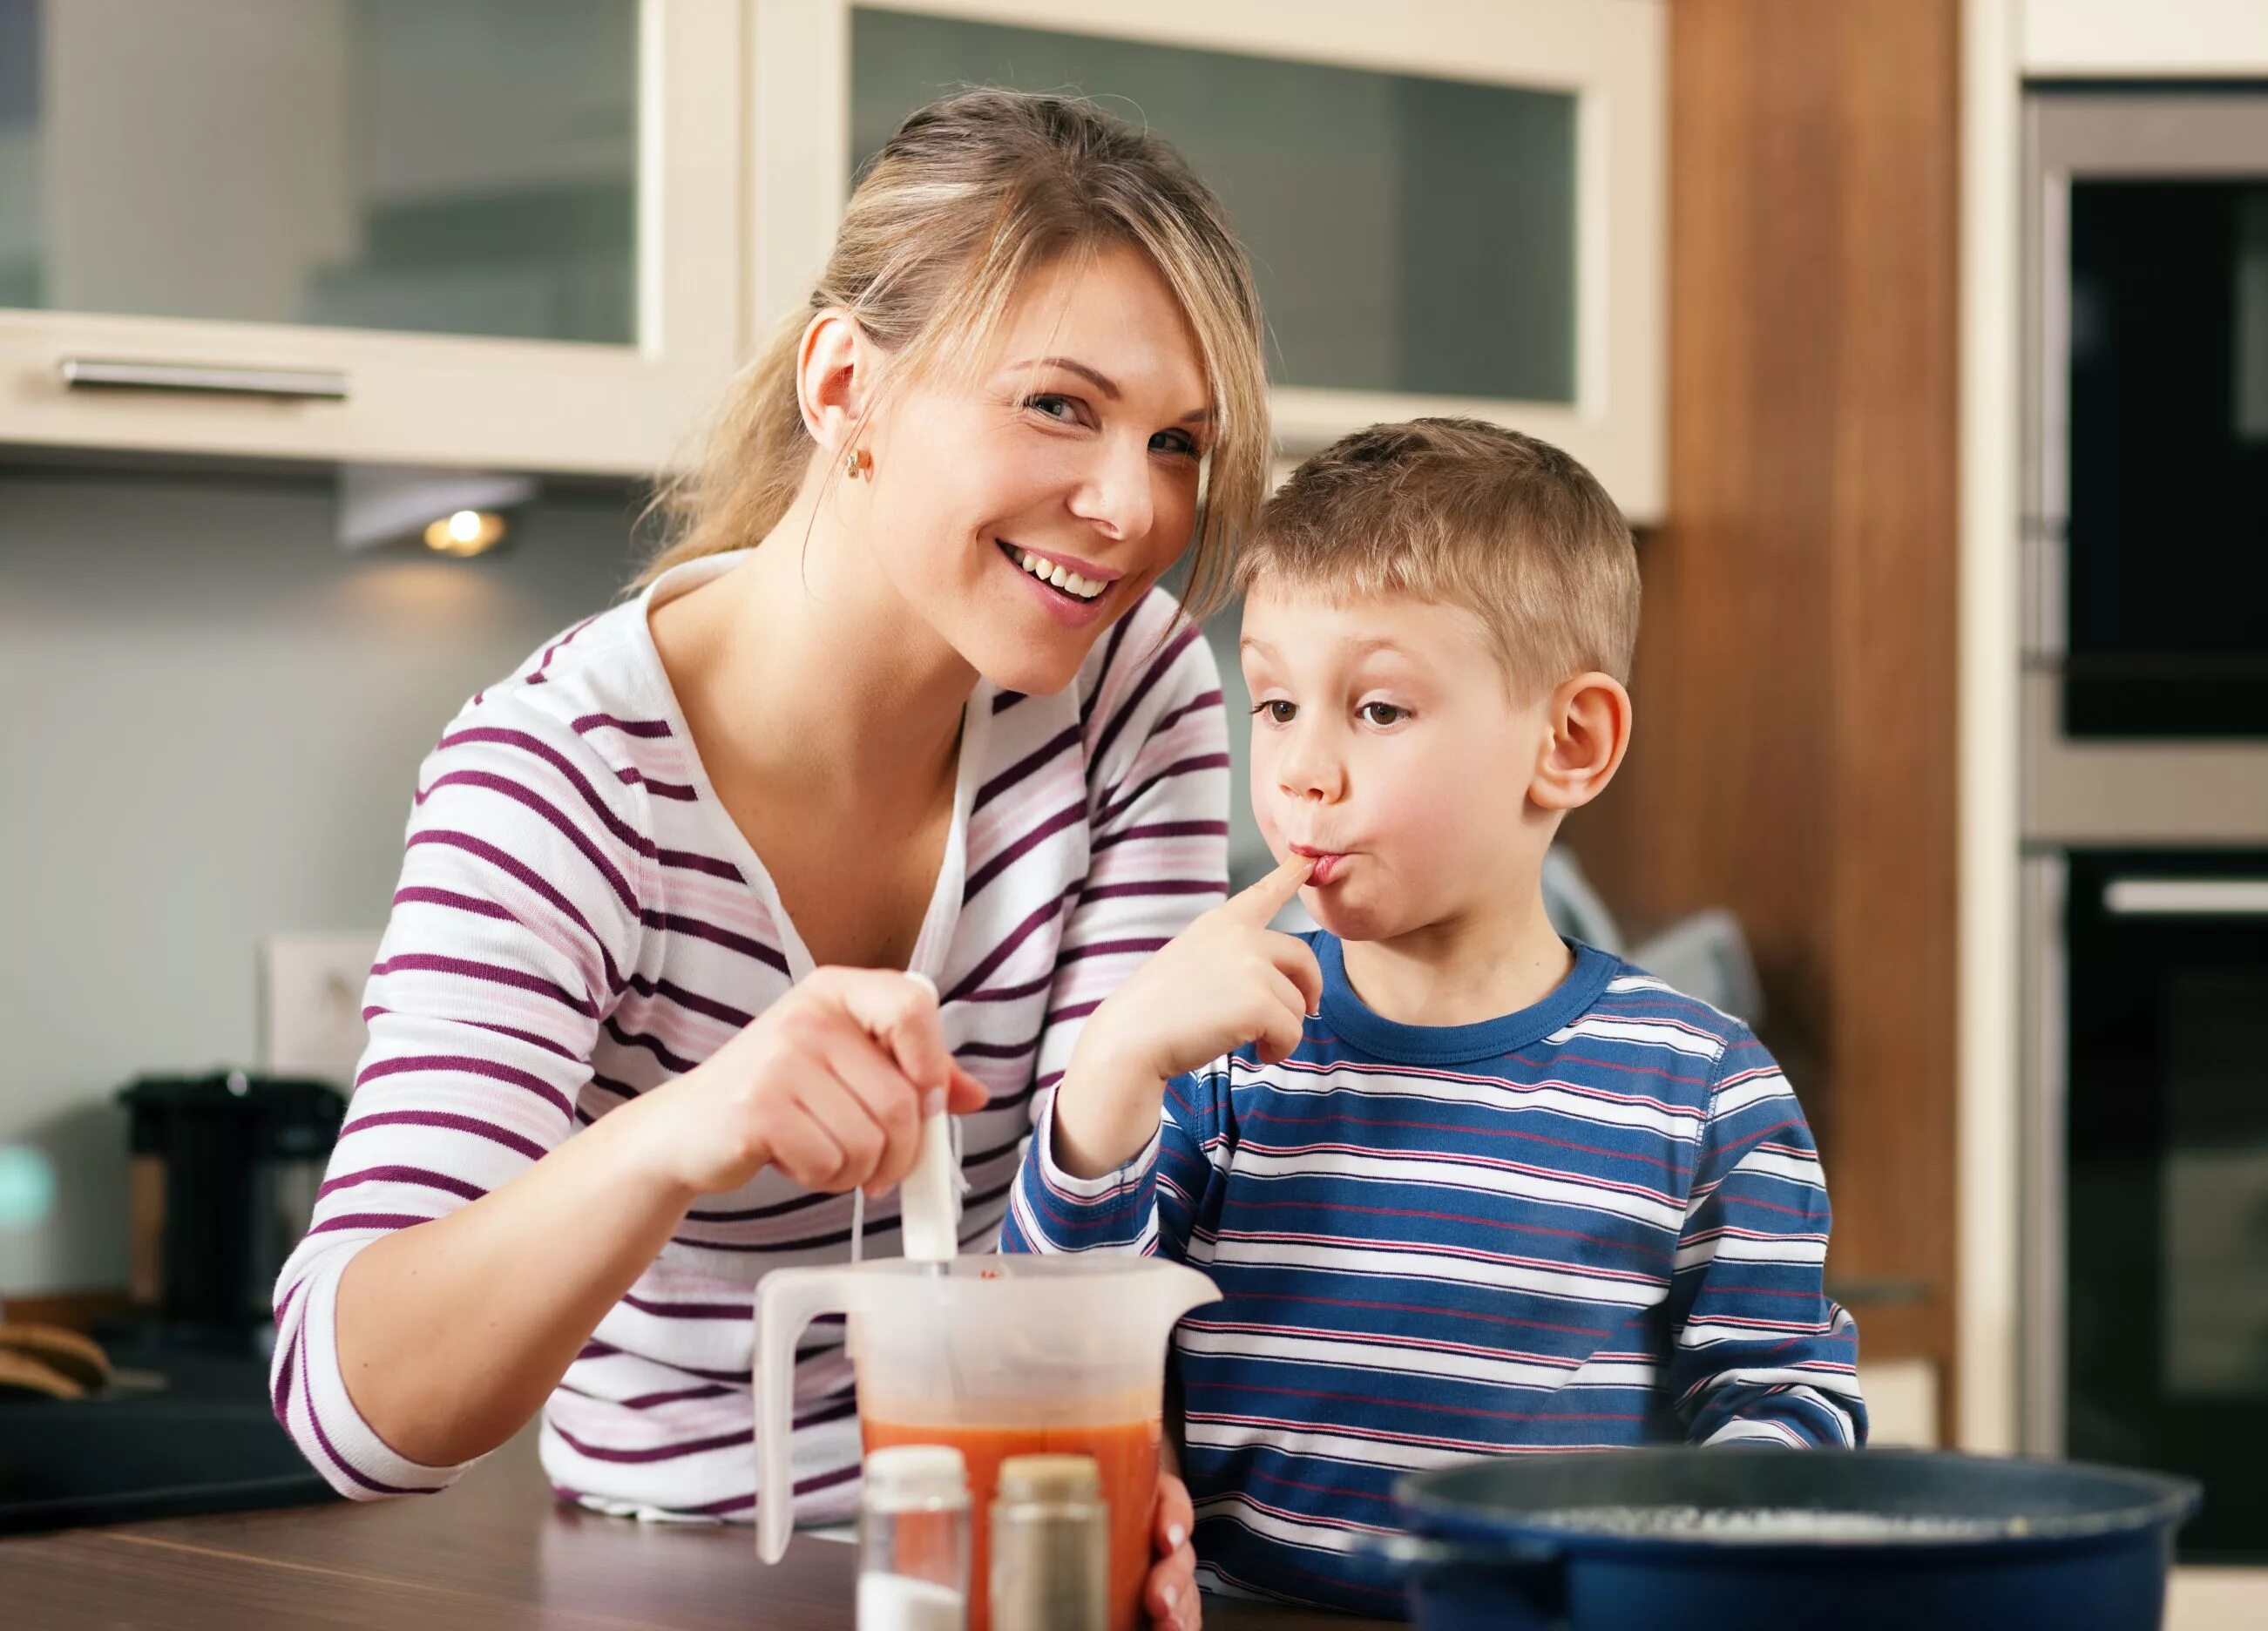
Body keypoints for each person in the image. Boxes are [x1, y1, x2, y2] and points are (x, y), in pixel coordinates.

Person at [271, 91, 1270, 1630]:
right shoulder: (562, 779)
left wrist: (1106, 1470)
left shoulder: (1128, 692)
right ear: (843, 385)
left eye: (1179, 443)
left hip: (1016, 1545)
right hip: (673, 1572)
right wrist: (687, 1124)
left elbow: (1084, 1279)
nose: (1132, 508)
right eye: (1059, 406)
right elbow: (354, 1414)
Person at [1004, 418, 1867, 1615]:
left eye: (1378, 711)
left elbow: (1786, 1404)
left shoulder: (1702, 1090)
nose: (1302, 771)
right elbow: (1055, 1360)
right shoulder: (1224, 1064)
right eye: (1276, 704)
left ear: (1568, 743)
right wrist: (1110, 1075)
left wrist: (1691, 1562)